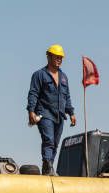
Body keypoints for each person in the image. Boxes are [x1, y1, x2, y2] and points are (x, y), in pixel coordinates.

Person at [27, 44, 76, 175]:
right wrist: (31, 111)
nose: (59, 60)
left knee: (55, 143)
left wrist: (71, 113)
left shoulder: (64, 77)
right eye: (57, 57)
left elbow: (67, 96)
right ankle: (48, 166)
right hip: (44, 113)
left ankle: (49, 167)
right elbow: (33, 93)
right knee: (48, 140)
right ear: (49, 57)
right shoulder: (39, 75)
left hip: (59, 115)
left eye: (61, 58)